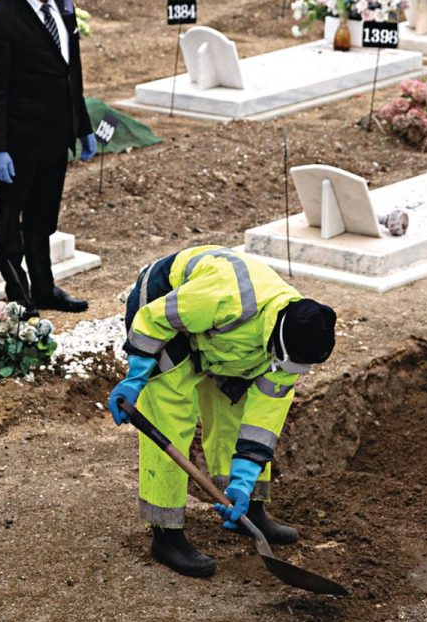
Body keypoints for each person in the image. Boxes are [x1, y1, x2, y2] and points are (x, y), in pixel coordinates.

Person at [106, 245, 338, 578]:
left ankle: (247, 511)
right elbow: (152, 321)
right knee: (171, 414)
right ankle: (166, 535)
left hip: (221, 339)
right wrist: (136, 377)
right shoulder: (224, 296)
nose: (288, 372)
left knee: (234, 408)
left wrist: (242, 484)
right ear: (276, 342)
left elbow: (261, 423)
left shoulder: (301, 333)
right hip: (164, 311)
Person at [0, 0, 96, 313]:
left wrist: (82, 126)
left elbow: (70, 73)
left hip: (54, 135)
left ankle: (44, 288)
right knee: (10, 224)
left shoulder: (63, 8)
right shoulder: (1, 18)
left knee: (43, 219)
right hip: (18, 140)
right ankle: (20, 294)